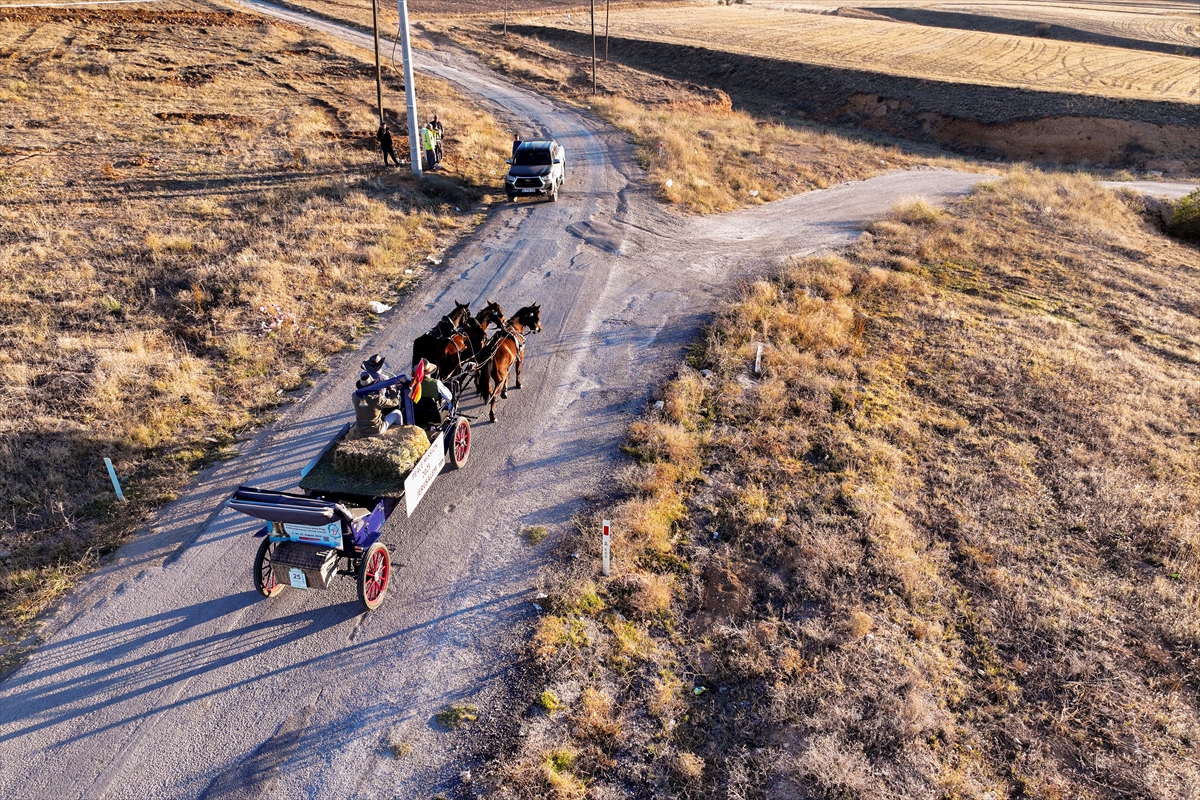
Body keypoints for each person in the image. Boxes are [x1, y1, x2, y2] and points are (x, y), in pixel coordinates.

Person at [353, 371, 402, 436]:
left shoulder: (354, 396)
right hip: (377, 430)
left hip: (360, 430)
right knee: (397, 413)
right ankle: (400, 433)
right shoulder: (377, 399)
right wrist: (391, 390)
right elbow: (395, 402)